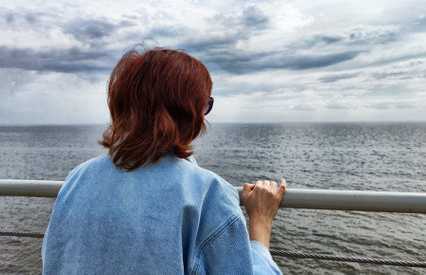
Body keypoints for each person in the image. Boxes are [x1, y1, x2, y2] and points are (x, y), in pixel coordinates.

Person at [42, 47, 286, 274]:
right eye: (205, 105)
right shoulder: (208, 193)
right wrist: (261, 225)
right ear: (191, 113)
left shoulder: (77, 179)